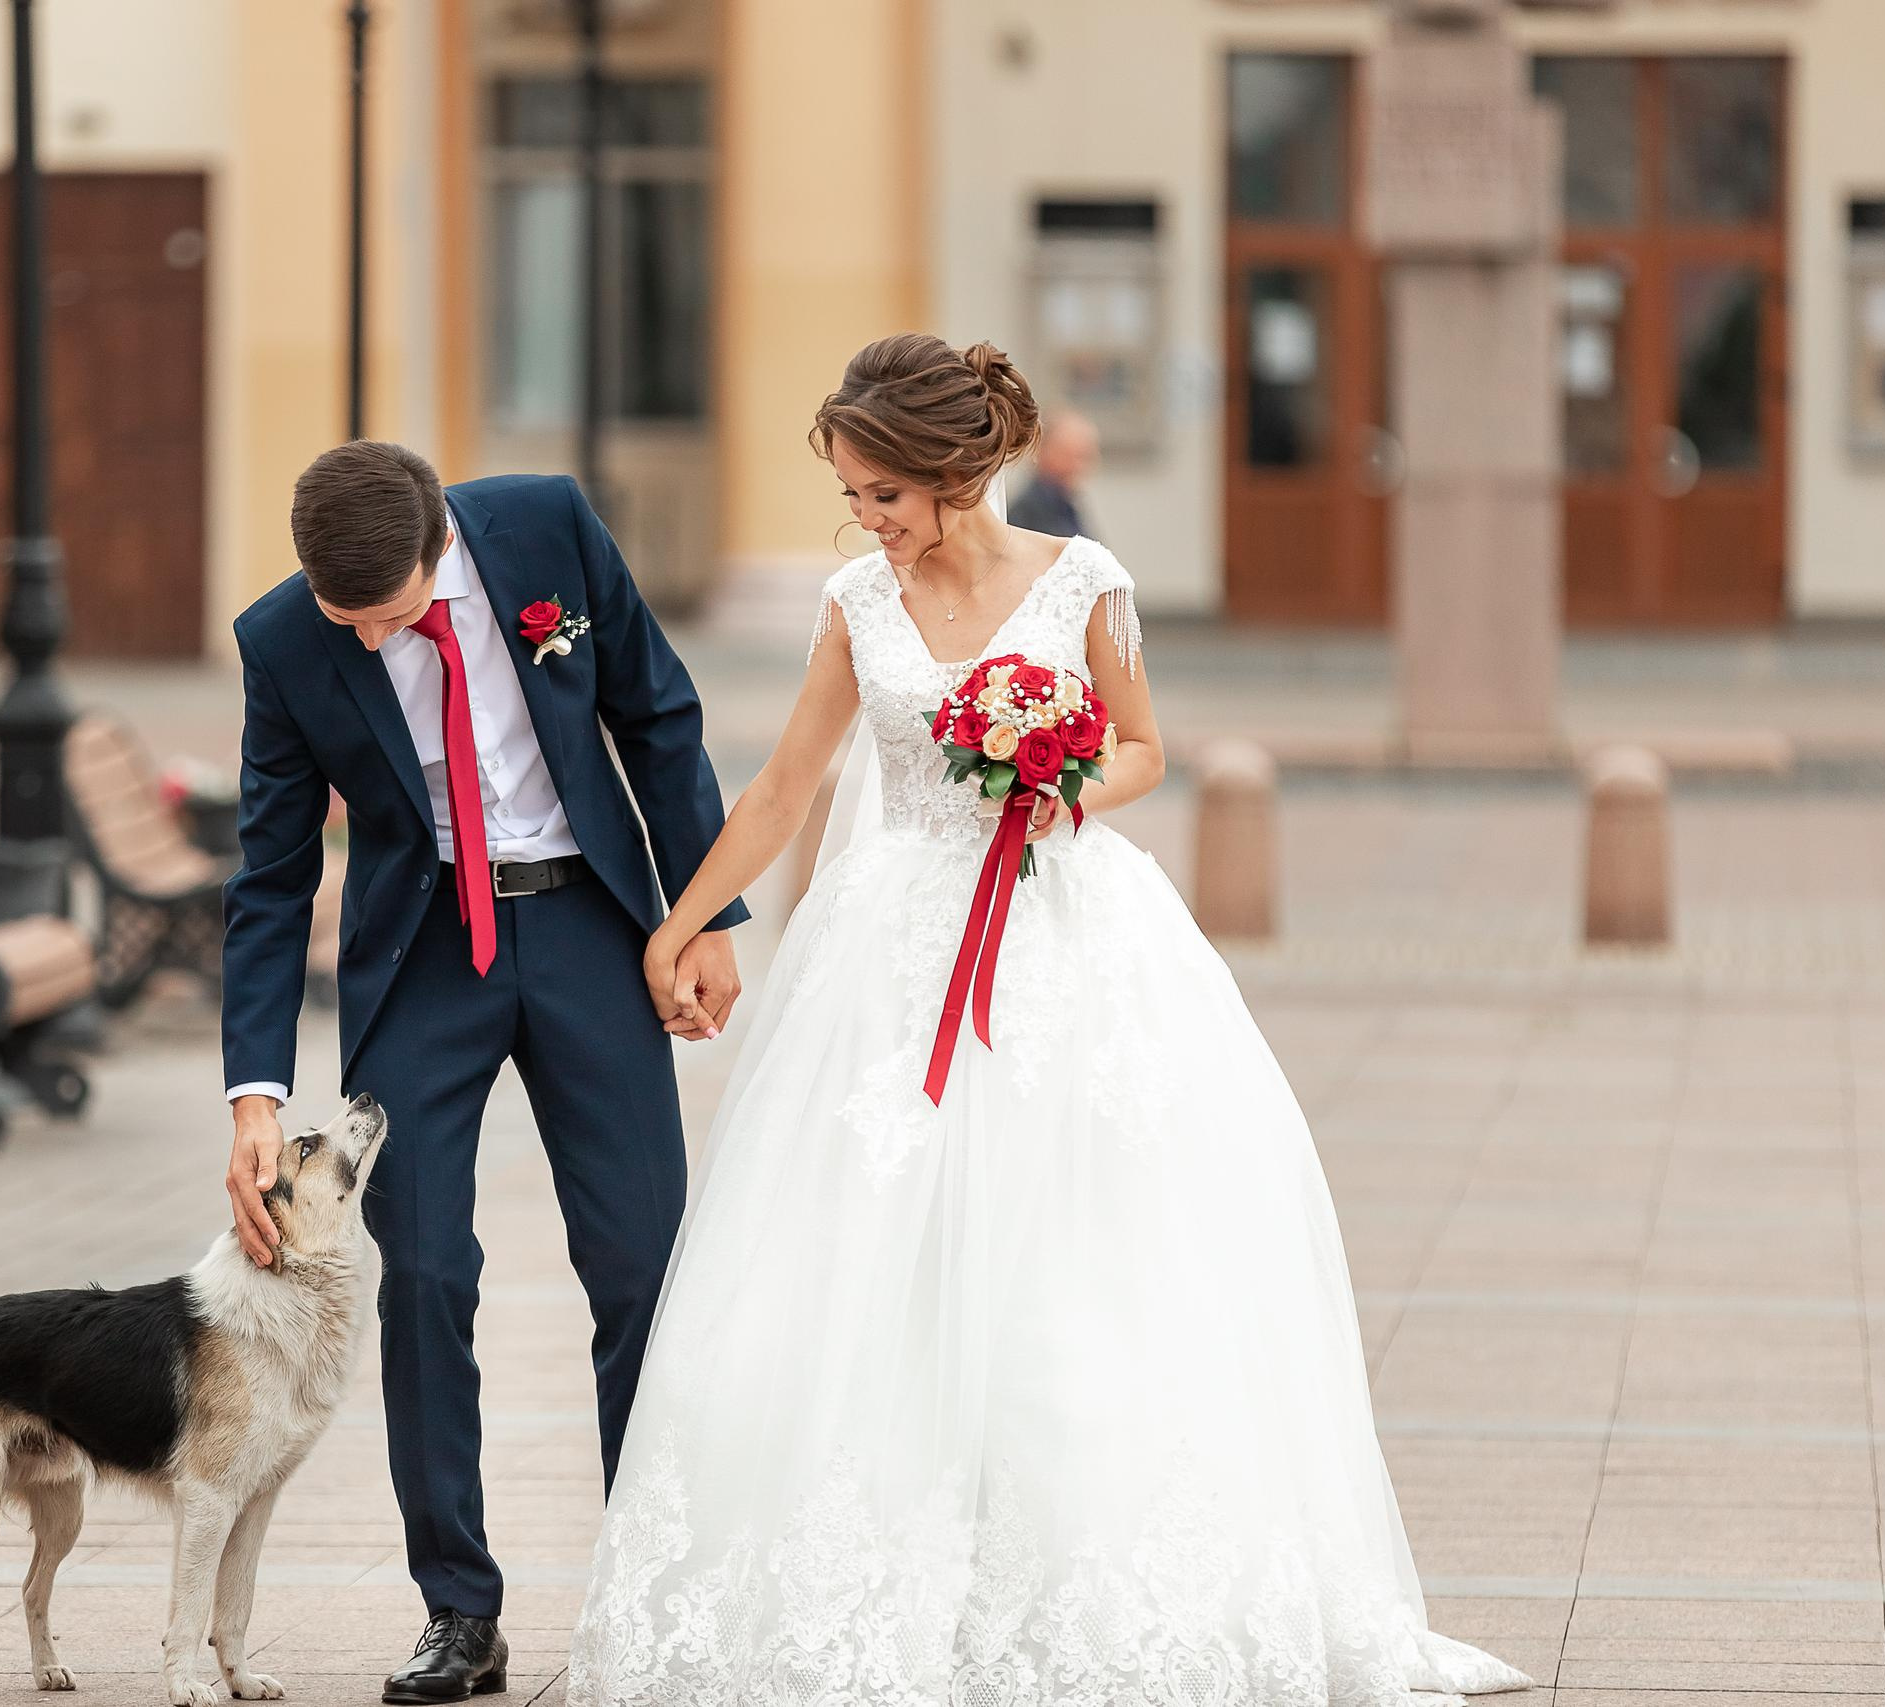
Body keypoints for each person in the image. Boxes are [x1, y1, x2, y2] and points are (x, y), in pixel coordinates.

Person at [565, 335, 1534, 1707]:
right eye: (853, 498)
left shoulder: (1084, 584)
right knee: (871, 1250)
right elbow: (790, 783)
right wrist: (682, 918)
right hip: (892, 955)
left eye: (881, 496)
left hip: (1064, 933)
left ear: (958, 475)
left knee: (1078, 1254)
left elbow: (1142, 744)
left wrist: (1056, 782)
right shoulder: (857, 600)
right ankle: (876, 1578)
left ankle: (1073, 1579)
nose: (866, 522)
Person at [220, 441, 748, 1705]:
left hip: (588, 931)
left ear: (441, 539)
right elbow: (271, 874)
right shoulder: (285, 639)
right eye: (340, 617)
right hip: (423, 963)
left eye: (387, 616)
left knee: (638, 1264)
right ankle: (458, 1610)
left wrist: (708, 920)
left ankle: (648, 1587)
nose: (359, 639)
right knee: (423, 1282)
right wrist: (253, 1093)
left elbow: (657, 715)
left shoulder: (546, 530)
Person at [1007, 405, 1099, 541]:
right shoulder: (1030, 512)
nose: (1077, 467)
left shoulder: (1065, 506)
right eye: (1069, 455)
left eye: (1084, 456)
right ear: (1042, 451)